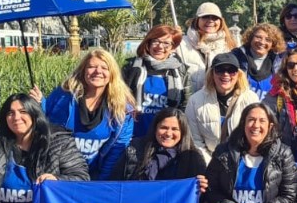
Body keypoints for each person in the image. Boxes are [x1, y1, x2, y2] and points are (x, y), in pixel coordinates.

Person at [36, 48, 134, 181]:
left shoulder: (122, 109)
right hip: (60, 174)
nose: (98, 71)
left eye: (104, 68)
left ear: (112, 74)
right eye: (92, 66)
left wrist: (101, 182)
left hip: (94, 174)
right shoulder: (64, 96)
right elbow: (46, 121)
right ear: (83, 71)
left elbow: (116, 150)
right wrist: (39, 103)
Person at [185, 52, 261, 164]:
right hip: (209, 162)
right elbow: (195, 141)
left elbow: (256, 134)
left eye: (231, 70)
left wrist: (244, 162)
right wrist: (211, 166)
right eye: (220, 69)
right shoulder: (195, 101)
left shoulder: (251, 99)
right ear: (212, 73)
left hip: (242, 161)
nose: (225, 74)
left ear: (238, 74)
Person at [122, 25, 188, 139]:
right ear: (148, 43)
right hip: (133, 135)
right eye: (155, 41)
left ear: (173, 47)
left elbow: (184, 105)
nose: (160, 46)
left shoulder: (180, 72)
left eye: (166, 43)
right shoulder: (132, 68)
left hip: (166, 138)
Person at [118, 107, 208, 187]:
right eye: (164, 128)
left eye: (174, 129)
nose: (168, 134)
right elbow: (116, 184)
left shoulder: (194, 157)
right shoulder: (135, 149)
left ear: (183, 133)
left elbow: (206, 197)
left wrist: (201, 187)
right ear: (155, 128)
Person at [177, 2, 238, 93]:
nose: (210, 21)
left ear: (221, 21)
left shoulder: (229, 46)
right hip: (188, 102)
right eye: (205, 17)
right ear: (197, 20)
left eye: (215, 18)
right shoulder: (181, 44)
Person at [231, 23, 285, 100]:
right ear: (250, 38)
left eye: (268, 39)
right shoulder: (236, 56)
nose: (262, 42)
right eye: (258, 37)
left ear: (273, 43)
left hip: (269, 109)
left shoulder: (279, 62)